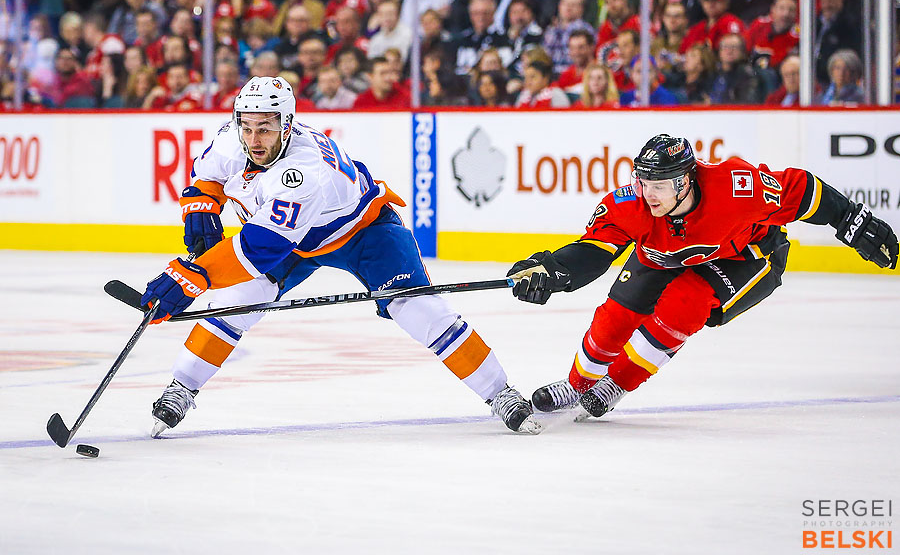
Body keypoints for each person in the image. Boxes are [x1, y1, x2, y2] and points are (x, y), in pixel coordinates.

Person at [139, 76, 541, 436]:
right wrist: (200, 209)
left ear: (287, 125)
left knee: (418, 310)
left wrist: (190, 276)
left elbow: (259, 249)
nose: (254, 139)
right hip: (294, 238)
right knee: (234, 302)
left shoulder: (302, 172)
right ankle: (182, 386)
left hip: (363, 230)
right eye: (247, 126)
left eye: (265, 128)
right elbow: (206, 176)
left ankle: (499, 392)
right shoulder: (234, 137)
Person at [506, 134, 898, 420]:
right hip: (666, 253)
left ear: (685, 181)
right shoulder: (632, 204)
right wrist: (552, 270)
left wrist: (849, 218)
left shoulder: (736, 188)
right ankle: (577, 386)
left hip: (746, 254)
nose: (648, 194)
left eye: (658, 185)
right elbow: (594, 251)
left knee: (684, 304)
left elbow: (800, 188)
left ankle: (618, 383)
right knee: (615, 317)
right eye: (644, 183)